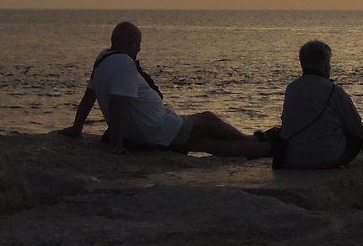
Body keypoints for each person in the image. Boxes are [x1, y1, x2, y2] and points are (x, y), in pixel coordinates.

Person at [59, 21, 271, 158]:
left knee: (208, 144)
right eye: (139, 43)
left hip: (152, 132)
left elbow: (89, 97)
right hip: (159, 129)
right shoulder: (124, 63)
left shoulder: (102, 58)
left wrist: (77, 128)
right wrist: (117, 144)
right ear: (132, 42)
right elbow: (116, 105)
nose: (140, 48)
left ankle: (265, 149)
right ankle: (256, 140)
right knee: (209, 119)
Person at [278, 39, 363, 189]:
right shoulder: (334, 91)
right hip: (323, 158)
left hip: (293, 158)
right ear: (326, 66)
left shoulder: (291, 88)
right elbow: (357, 128)